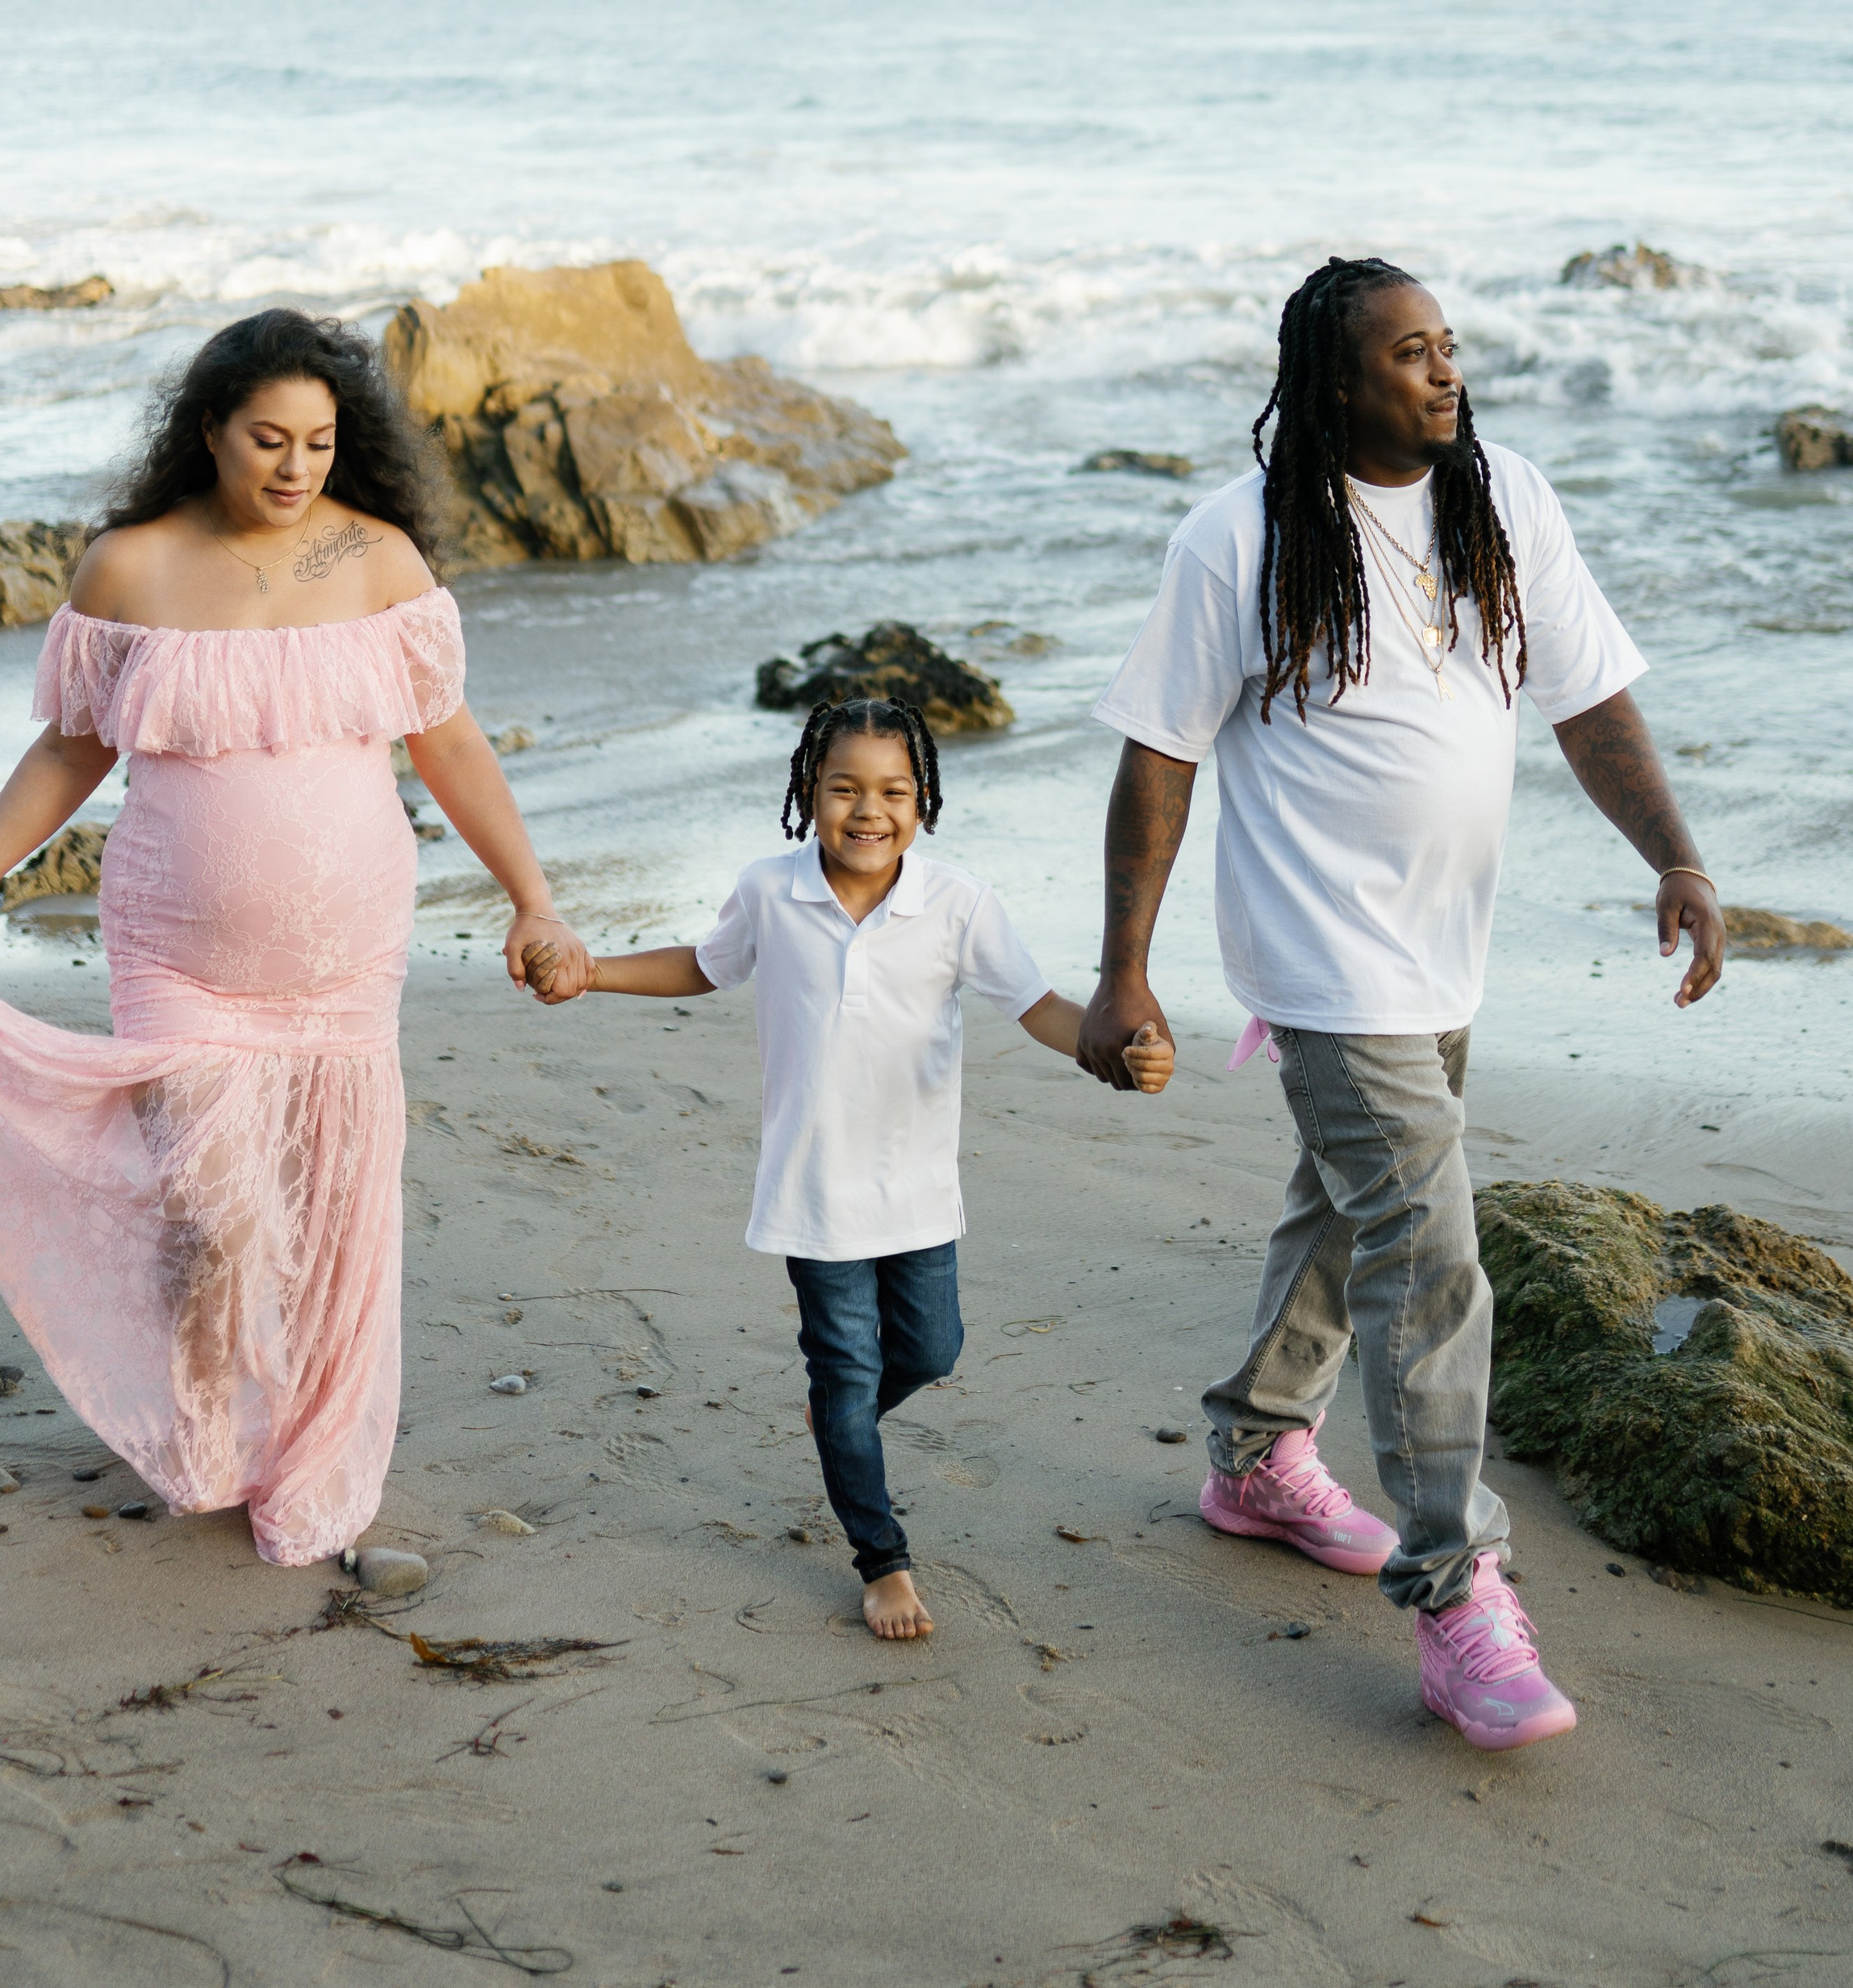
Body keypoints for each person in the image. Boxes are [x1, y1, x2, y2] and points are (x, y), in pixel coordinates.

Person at [1078, 255, 1725, 1751]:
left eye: (1451, 345)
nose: (1447, 371)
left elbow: (1586, 693)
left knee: (1349, 1203)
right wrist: (1125, 968)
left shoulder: (1504, 501)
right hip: (1322, 962)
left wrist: (1676, 851)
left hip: (1446, 952)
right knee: (1432, 1253)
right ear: (1335, 380)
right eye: (1412, 352)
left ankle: (1253, 1450)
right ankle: (1458, 1591)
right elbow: (1158, 755)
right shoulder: (1236, 539)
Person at [0, 308, 593, 1567]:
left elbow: (453, 744)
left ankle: (308, 1440)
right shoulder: (131, 566)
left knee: (328, 1212)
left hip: (345, 960)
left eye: (319, 442)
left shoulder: (379, 561)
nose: (294, 467)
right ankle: (204, 1428)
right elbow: (69, 750)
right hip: (177, 951)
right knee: (213, 1213)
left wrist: (533, 897)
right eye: (268, 438)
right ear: (207, 430)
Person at [572, 694, 1174, 1641]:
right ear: (810, 792)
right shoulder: (771, 890)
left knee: (932, 1350)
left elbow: (1040, 1005)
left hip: (919, 1190)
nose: (868, 809)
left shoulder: (957, 902)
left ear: (923, 799)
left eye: (893, 789)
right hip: (812, 1191)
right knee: (847, 1376)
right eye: (845, 786)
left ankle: (840, 1418)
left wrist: (1121, 1047)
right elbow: (704, 963)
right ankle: (880, 1555)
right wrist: (592, 968)